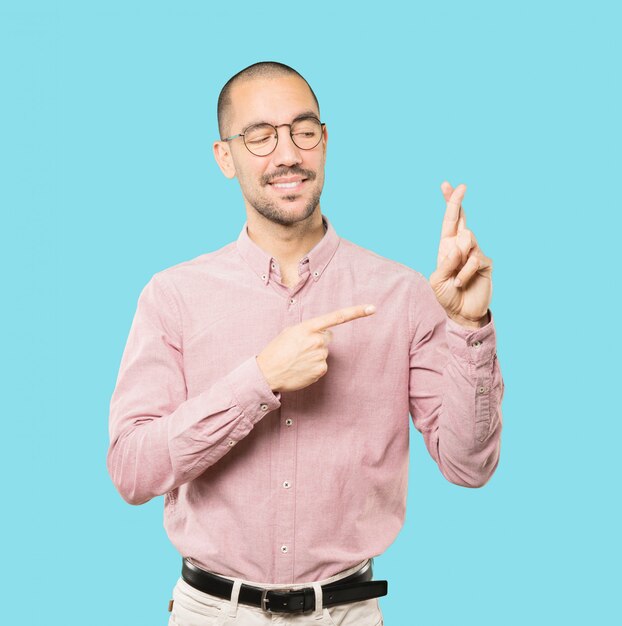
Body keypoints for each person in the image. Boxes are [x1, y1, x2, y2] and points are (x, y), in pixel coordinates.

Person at [107, 61, 504, 626]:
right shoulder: (173, 296)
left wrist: (469, 327)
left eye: (304, 130)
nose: (287, 153)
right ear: (226, 157)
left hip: (347, 613)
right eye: (260, 136)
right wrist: (259, 380)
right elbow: (132, 471)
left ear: (325, 142)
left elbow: (470, 466)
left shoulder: (403, 293)